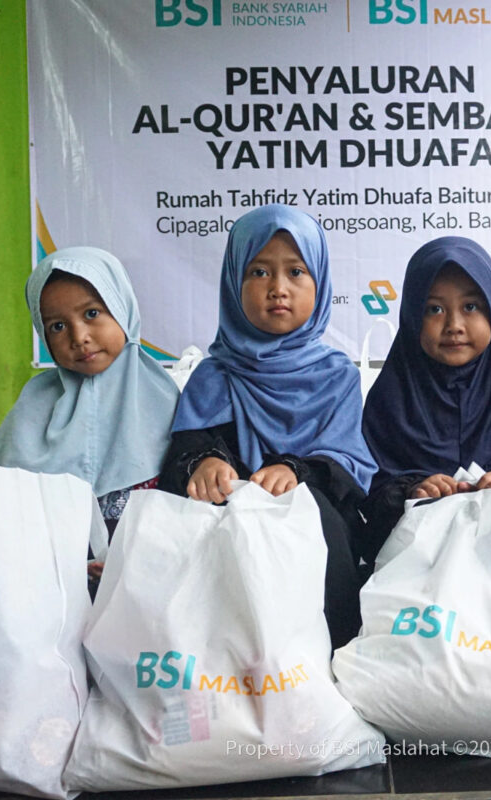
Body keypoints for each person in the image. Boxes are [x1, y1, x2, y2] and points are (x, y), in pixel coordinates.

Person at [157, 204, 375, 648]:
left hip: (318, 543)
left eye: (296, 272)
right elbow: (186, 451)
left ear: (320, 283)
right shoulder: (213, 375)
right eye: (258, 272)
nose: (278, 288)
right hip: (228, 543)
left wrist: (295, 471)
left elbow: (347, 465)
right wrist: (205, 463)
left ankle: (334, 660)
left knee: (318, 514)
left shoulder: (337, 376)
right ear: (233, 282)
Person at [0, 247, 181, 578]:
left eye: (92, 314)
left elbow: (186, 509)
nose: (78, 337)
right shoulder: (34, 406)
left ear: (122, 308)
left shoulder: (167, 399)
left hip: (150, 577)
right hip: (54, 581)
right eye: (57, 326)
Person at [360, 236, 491, 560]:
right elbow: (367, 489)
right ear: (412, 315)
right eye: (434, 309)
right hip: (415, 562)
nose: (454, 326)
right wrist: (412, 491)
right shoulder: (390, 399)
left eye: (471, 307)